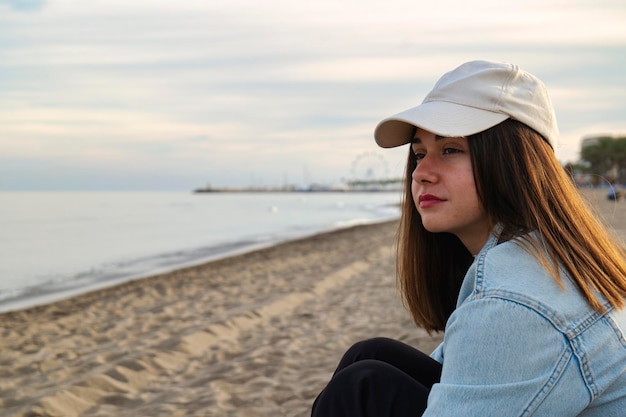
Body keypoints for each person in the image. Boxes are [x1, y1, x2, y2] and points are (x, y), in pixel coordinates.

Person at [311, 60, 626, 416]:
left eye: (450, 150)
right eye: (419, 154)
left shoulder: (513, 305)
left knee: (359, 390)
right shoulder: (536, 257)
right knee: (369, 359)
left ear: (514, 161)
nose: (421, 174)